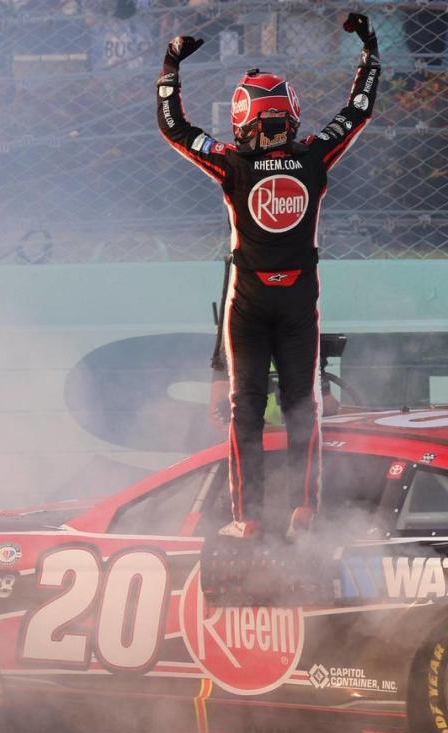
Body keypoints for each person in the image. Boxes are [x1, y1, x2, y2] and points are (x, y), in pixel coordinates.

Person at [156, 13, 379, 540]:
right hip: (301, 302)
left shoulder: (231, 162)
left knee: (246, 410)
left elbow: (174, 129)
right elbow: (359, 110)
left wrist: (171, 67)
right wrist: (369, 51)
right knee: (304, 408)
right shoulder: (315, 155)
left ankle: (247, 518)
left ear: (242, 118)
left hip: (248, 304)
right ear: (291, 117)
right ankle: (306, 511)